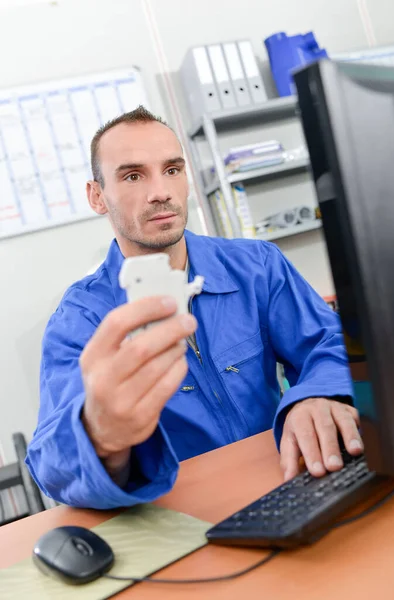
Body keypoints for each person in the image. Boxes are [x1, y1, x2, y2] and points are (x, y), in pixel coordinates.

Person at [26, 106, 363, 510]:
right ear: (97, 196)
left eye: (172, 169)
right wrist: (100, 435)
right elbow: (50, 466)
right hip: (184, 517)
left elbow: (335, 342)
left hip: (290, 483)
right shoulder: (81, 318)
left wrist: (319, 393)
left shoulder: (257, 266)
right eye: (133, 176)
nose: (160, 191)